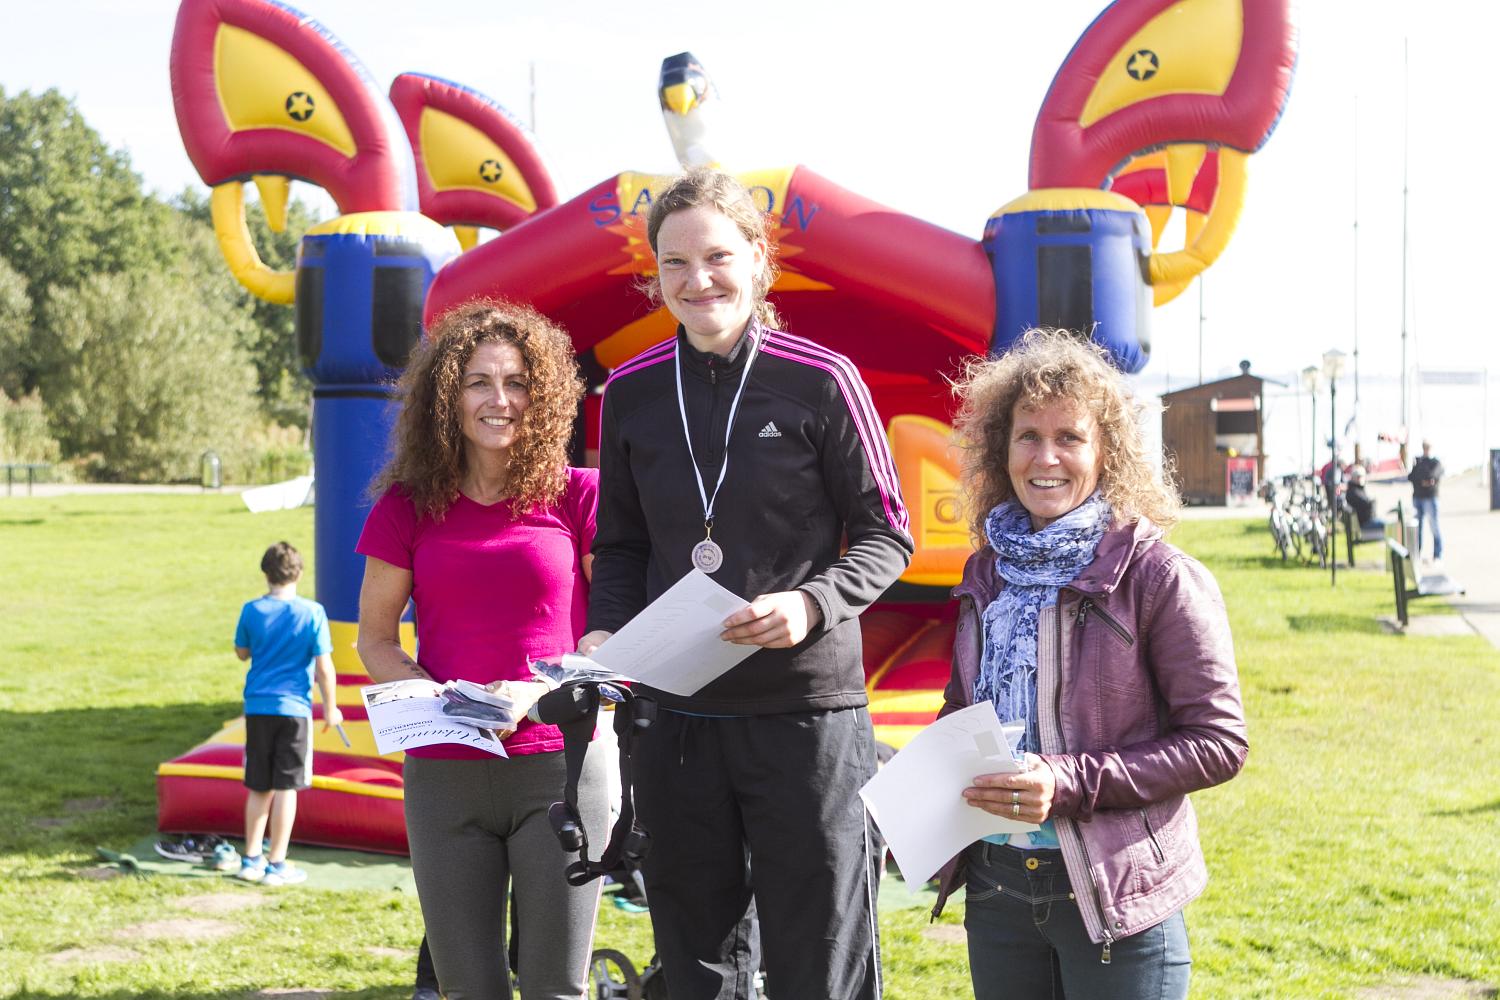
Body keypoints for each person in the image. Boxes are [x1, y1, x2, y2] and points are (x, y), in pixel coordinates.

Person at [580, 168, 913, 1000]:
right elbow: (619, 546)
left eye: (718, 257)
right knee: (695, 960)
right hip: (677, 717)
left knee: (820, 953)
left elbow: (887, 534)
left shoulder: (822, 379)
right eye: (675, 263)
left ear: (759, 259)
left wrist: (811, 603)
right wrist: (606, 630)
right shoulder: (630, 392)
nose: (697, 280)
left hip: (805, 714)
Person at [931, 329, 1248, 1000]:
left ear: (1107, 452)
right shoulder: (986, 571)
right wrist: (922, 795)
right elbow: (963, 711)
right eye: (1028, 436)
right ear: (1002, 449)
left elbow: (1218, 743)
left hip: (1114, 895)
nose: (1046, 457)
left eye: (1070, 437)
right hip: (996, 889)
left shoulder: (1158, 576)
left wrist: (1064, 780)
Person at [355, 300, 608, 1000]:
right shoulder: (406, 506)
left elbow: (612, 633)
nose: (500, 400)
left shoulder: (580, 497)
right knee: (468, 989)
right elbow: (376, 639)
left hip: (562, 767)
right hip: (444, 774)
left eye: (517, 382)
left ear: (544, 395)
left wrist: (538, 692)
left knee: (556, 989)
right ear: (447, 396)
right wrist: (440, 701)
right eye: (478, 382)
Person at [233, 540, 342, 886]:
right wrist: (331, 708)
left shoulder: (251, 610)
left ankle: (251, 858)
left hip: (258, 707)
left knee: (258, 785)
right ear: (299, 573)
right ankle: (277, 862)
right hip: (294, 710)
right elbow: (324, 668)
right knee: (287, 788)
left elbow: (241, 652)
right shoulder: (312, 613)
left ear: (265, 573)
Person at [1408, 439, 1444, 561]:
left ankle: (1437, 554)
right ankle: (1416, 553)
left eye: (1428, 448)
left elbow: (1432, 475)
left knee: (1434, 526)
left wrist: (1424, 477)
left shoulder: (1435, 462)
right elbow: (1411, 476)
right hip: (1418, 497)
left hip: (1430, 498)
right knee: (1417, 527)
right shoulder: (1418, 461)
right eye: (1424, 447)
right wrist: (1422, 479)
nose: (1426, 450)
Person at [1343, 464, 1384, 533]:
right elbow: (1368, 505)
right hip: (1365, 523)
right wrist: (1373, 501)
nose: (1360, 479)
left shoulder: (1356, 489)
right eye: (1358, 477)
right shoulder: (1354, 491)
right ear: (1353, 477)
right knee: (1389, 525)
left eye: (1362, 477)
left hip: (1366, 521)